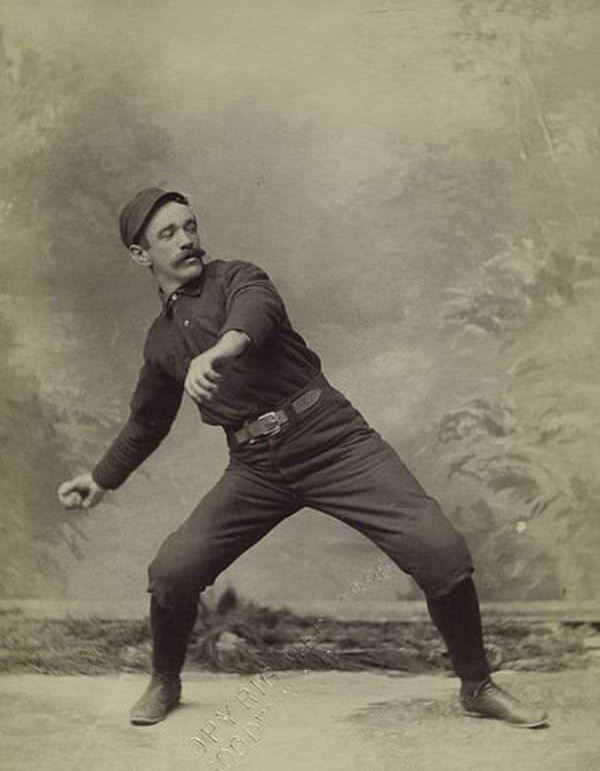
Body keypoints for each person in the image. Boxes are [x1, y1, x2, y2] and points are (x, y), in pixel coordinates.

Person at [58, 187, 548, 729]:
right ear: (140, 254)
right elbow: (147, 422)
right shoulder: (161, 343)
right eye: (168, 234)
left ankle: (477, 685)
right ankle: (164, 681)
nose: (187, 240)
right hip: (256, 468)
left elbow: (256, 312)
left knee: (440, 550)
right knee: (173, 571)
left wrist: (220, 351)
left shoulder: (236, 277)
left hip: (333, 440)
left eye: (190, 226)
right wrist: (100, 479)